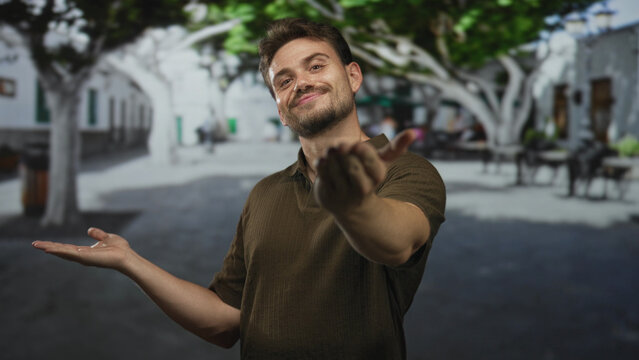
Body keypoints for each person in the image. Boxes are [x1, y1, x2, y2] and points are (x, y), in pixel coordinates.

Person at [32, 18, 446, 359]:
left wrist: (350, 203)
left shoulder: (408, 172)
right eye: (283, 81)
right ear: (281, 111)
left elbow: (396, 242)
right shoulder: (265, 193)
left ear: (352, 76)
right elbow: (224, 321)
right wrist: (130, 262)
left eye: (316, 66)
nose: (300, 82)